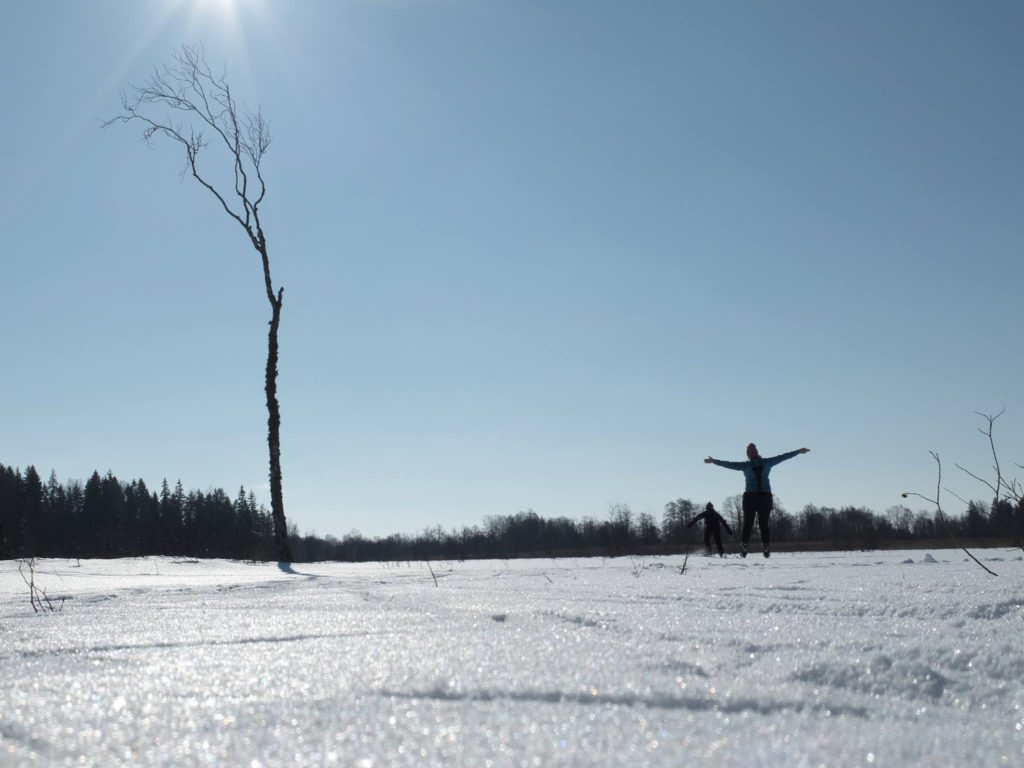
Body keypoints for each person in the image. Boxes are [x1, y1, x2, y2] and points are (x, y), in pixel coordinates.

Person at [704, 443, 810, 558]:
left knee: (748, 523)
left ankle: (744, 546)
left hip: (750, 497)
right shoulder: (767, 462)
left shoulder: (745, 466)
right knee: (763, 523)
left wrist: (714, 461)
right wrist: (798, 451)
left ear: (748, 455)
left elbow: (729, 464)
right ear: (757, 453)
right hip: (765, 497)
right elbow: (783, 457)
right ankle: (766, 547)